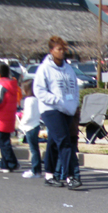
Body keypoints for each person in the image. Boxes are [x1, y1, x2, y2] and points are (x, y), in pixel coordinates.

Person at [33, 36, 81, 189]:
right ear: (51, 51)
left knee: (53, 143)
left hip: (67, 109)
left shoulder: (68, 69)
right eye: (59, 49)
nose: (62, 52)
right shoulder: (44, 68)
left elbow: (74, 89)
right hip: (51, 109)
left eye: (63, 49)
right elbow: (38, 90)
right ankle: (69, 176)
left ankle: (49, 175)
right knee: (65, 143)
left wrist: (73, 104)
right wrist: (55, 100)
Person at [18, 79, 42, 178]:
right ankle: (37, 170)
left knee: (33, 150)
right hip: (36, 125)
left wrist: (21, 124)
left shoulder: (28, 100)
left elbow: (28, 116)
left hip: (29, 127)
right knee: (35, 149)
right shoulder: (37, 99)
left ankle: (35, 170)